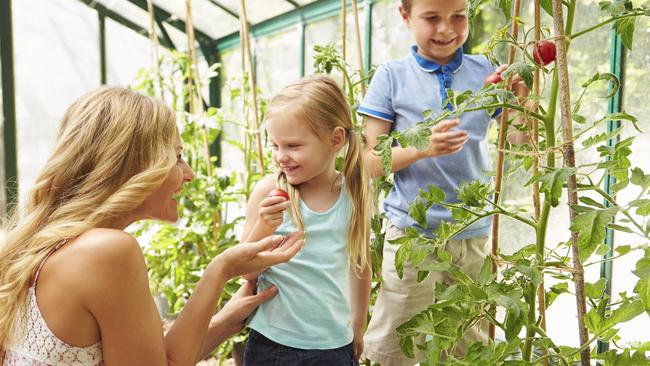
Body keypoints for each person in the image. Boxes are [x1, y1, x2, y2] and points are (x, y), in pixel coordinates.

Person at [0, 86, 304, 366]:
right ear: (135, 165)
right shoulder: (106, 251)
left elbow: (156, 358)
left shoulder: (40, 244)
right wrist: (219, 270)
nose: (190, 174)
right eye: (178, 157)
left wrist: (224, 320)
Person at [359, 0, 530, 365]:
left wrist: (522, 100)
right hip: (413, 236)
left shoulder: (486, 70)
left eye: (458, 16)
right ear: (405, 16)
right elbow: (370, 162)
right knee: (395, 342)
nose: (446, 29)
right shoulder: (391, 76)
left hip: (471, 232)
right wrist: (422, 147)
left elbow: (519, 143)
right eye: (431, 18)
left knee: (468, 343)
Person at [239, 75, 373, 366]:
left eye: (293, 146)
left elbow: (360, 265)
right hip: (271, 344)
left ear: (335, 139)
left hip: (334, 344)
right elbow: (243, 272)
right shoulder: (268, 193)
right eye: (275, 145)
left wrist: (358, 325)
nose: (280, 157)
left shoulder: (353, 195)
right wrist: (263, 226)